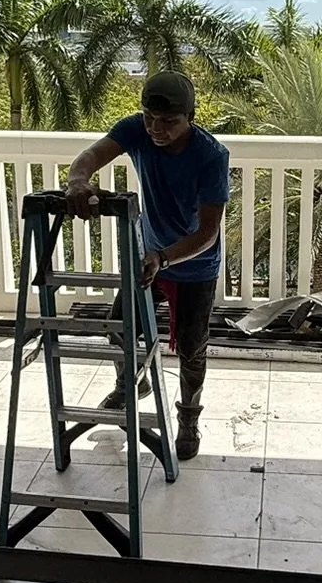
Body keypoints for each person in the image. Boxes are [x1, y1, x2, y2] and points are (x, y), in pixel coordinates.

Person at [64, 70, 229, 460]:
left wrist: (165, 257)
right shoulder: (136, 130)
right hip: (149, 256)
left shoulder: (211, 155)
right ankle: (130, 384)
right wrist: (77, 181)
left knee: (191, 348)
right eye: (150, 118)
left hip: (193, 264)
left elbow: (207, 232)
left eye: (169, 122)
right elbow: (90, 156)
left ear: (190, 117)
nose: (157, 129)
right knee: (120, 327)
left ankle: (189, 416)